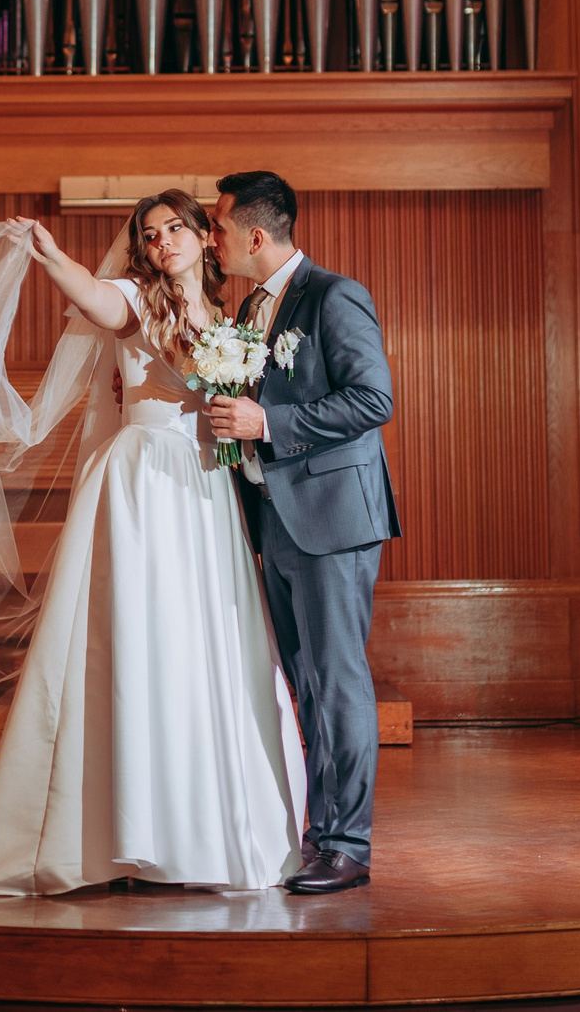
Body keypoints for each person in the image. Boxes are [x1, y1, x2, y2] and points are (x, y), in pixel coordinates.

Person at [0, 189, 307, 896]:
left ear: (204, 236)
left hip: (206, 487)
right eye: (150, 234)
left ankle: (208, 831)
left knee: (202, 642)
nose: (163, 241)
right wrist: (53, 258)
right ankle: (118, 834)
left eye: (175, 228)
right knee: (139, 637)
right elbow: (93, 295)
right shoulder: (136, 300)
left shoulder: (229, 319)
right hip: (144, 482)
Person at [204, 170, 399, 895]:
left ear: (255, 234)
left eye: (218, 227)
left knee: (337, 681)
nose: (212, 239)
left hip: (332, 517)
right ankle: (320, 834)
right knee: (305, 683)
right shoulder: (249, 306)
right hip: (276, 517)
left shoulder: (333, 295)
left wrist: (268, 422)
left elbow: (373, 398)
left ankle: (348, 844)